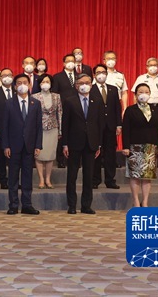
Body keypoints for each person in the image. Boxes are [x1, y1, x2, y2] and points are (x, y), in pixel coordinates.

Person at [0, 74, 43, 215]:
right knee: (13, 177)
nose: (22, 85)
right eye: (19, 83)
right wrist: (6, 146)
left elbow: (38, 126)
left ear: (30, 85)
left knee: (27, 176)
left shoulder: (36, 103)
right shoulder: (8, 103)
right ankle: (13, 205)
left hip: (29, 146)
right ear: (15, 86)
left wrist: (38, 145)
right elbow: (4, 126)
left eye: (25, 82)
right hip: (13, 146)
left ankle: (27, 205)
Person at [61, 74, 104, 215]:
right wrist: (65, 144)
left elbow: (100, 124)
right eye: (81, 83)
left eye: (87, 82)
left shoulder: (97, 100)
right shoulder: (69, 101)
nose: (84, 85)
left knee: (88, 175)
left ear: (91, 85)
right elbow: (65, 124)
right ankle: (72, 205)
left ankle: (86, 205)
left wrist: (99, 144)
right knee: (72, 175)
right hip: (74, 142)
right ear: (76, 85)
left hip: (91, 143)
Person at [122, 84, 158, 207]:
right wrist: (125, 146)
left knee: (147, 176)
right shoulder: (130, 110)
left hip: (151, 147)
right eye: (140, 92)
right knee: (135, 176)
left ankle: (145, 201)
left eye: (146, 91)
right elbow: (126, 130)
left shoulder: (156, 110)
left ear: (150, 94)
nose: (143, 94)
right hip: (135, 147)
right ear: (135, 95)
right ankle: (136, 201)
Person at [90, 64, 122, 190]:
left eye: (103, 72)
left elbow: (117, 108)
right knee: (96, 154)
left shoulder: (113, 89)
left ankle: (110, 180)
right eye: (98, 72)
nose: (101, 74)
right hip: (96, 127)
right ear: (94, 75)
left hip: (110, 126)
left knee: (110, 154)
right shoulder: (90, 89)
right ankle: (95, 180)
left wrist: (119, 124)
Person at [31, 74, 61, 189]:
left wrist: (60, 130)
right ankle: (41, 180)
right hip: (39, 130)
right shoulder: (34, 97)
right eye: (42, 82)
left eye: (47, 81)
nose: (45, 84)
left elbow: (59, 113)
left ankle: (48, 179)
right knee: (39, 155)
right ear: (39, 84)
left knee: (50, 155)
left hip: (53, 128)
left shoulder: (56, 96)